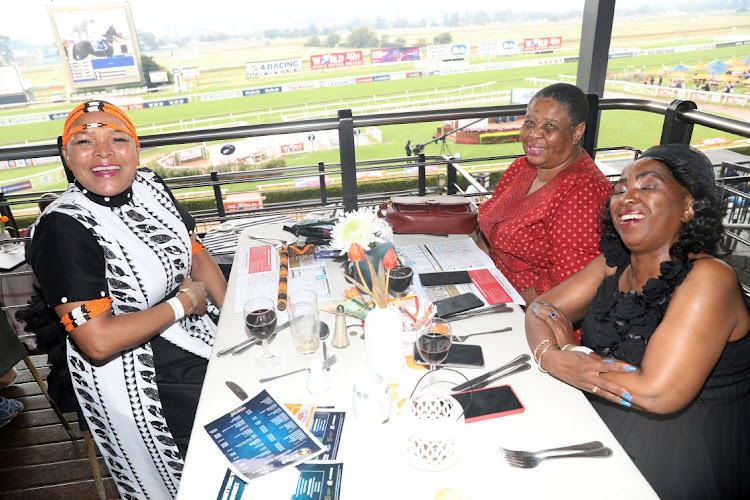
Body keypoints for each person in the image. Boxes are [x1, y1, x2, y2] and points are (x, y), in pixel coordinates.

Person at [26, 101, 227, 500]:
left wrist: (237, 319)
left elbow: (196, 252)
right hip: (139, 373)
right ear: (67, 157)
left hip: (195, 334)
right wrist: (184, 303)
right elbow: (97, 342)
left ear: (136, 150)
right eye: (84, 141)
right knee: (216, 460)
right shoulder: (63, 227)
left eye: (118, 139)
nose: (104, 152)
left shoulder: (150, 183)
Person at [525, 145, 750, 499]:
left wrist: (568, 357)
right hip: (608, 415)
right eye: (619, 190)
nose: (627, 197)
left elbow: (656, 393)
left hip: (683, 452)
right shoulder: (615, 263)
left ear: (688, 206)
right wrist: (552, 355)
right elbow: (542, 308)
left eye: (648, 187)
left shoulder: (710, 279)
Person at [476, 83, 612, 307]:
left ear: (577, 132)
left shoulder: (584, 191)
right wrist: (475, 276)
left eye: (550, 126)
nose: (533, 134)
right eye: (529, 123)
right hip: (492, 290)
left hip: (534, 315)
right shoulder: (522, 167)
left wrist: (504, 307)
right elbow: (489, 231)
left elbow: (566, 281)